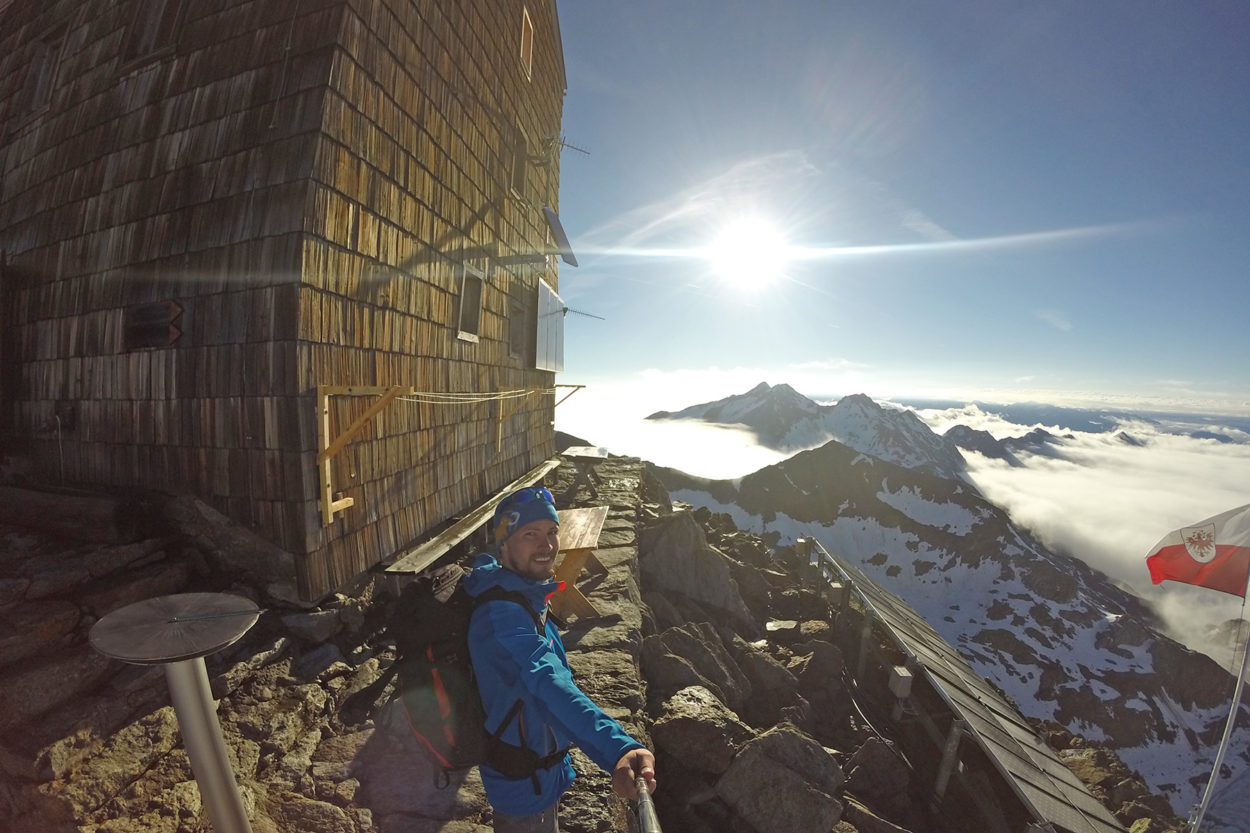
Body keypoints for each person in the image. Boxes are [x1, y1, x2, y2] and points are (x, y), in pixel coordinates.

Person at [464, 486, 657, 832]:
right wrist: (615, 748)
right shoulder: (502, 615)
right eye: (530, 534)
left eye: (552, 532)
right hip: (522, 782)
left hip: (539, 771)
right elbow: (548, 683)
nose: (547, 545)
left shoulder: (521, 590)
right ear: (504, 544)